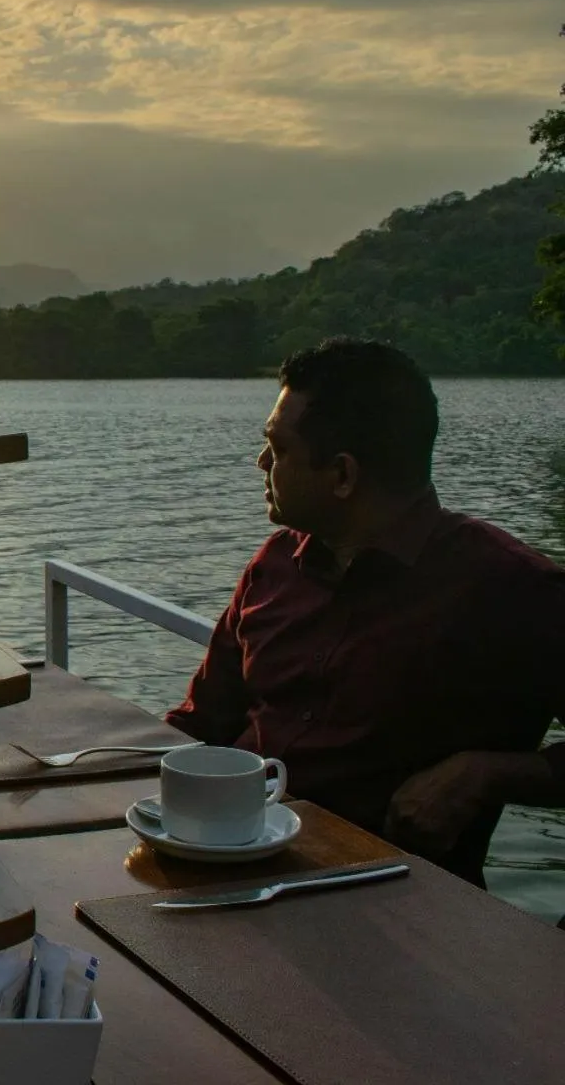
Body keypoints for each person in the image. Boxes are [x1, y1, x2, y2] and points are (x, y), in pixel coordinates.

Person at [164, 337, 565, 887]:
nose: (260, 463)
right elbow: (200, 726)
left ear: (343, 476)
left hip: (391, 905)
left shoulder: (512, 590)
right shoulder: (275, 565)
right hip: (223, 870)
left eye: (277, 449)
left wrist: (487, 773)